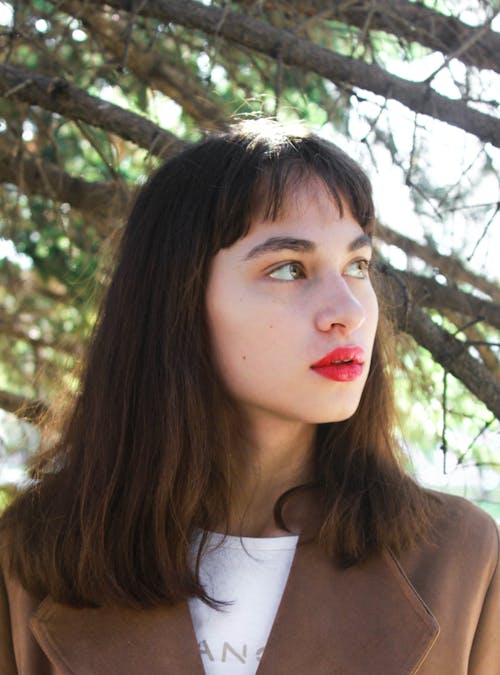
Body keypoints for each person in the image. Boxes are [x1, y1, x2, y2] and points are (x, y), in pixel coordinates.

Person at [0, 119, 498, 675]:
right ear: (176, 301)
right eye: (289, 269)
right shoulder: (31, 557)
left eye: (358, 266)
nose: (350, 311)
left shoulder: (463, 562)